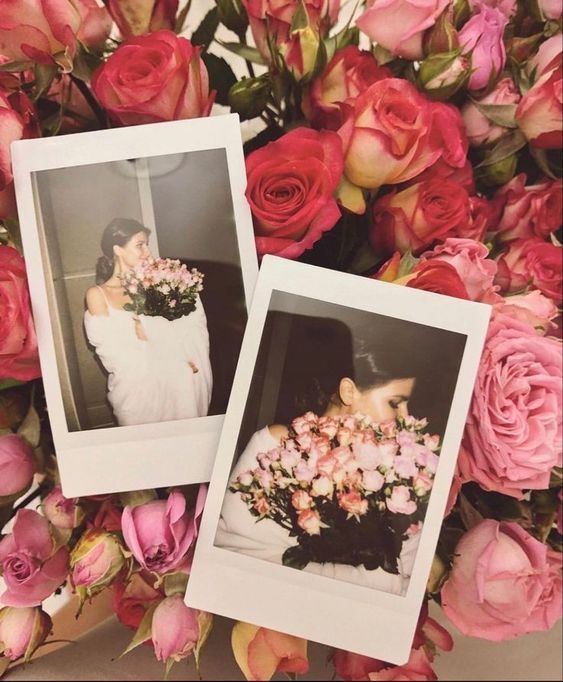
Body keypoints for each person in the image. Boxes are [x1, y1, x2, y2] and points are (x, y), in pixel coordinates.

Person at [215, 314, 438, 596]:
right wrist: (385, 582)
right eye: (395, 403)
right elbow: (234, 552)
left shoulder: (399, 472)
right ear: (348, 391)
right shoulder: (273, 448)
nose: (407, 418)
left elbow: (415, 570)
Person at [84, 218, 212, 427]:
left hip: (181, 387)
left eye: (147, 245)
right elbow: (112, 353)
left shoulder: (161, 284)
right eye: (140, 245)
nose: (148, 253)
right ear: (118, 249)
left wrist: (151, 333)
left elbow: (192, 325)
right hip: (139, 396)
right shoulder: (98, 295)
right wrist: (154, 338)